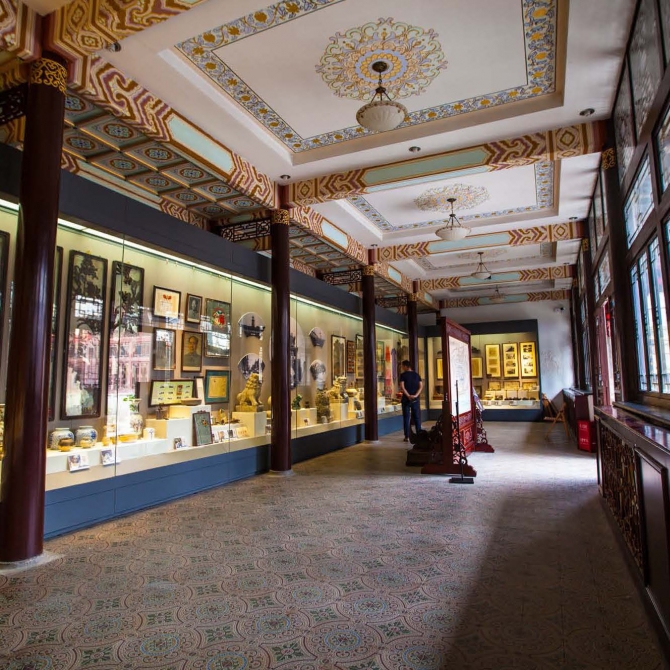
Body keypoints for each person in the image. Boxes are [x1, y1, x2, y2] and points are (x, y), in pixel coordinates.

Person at [399, 360, 423, 442]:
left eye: (402, 366)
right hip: (415, 399)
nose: (402, 368)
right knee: (417, 417)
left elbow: (402, 387)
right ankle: (419, 434)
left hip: (406, 399)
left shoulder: (403, 375)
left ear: (406, 366)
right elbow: (421, 386)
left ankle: (407, 436)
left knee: (406, 417)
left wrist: (408, 395)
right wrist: (415, 395)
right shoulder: (416, 375)